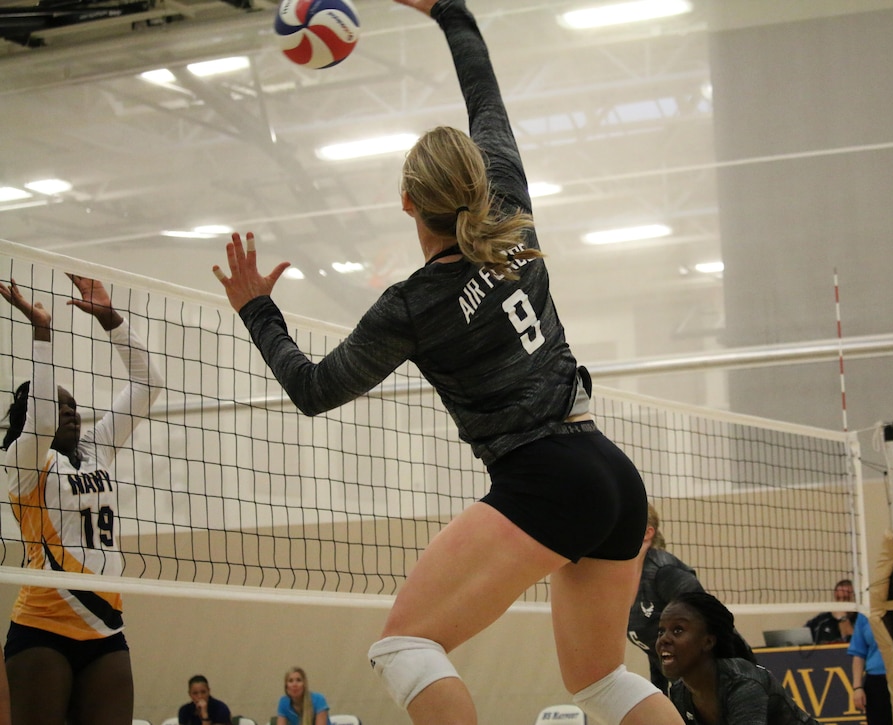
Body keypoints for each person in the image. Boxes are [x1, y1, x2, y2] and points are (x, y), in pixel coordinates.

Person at [210, 1, 684, 724]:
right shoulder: (512, 205)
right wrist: (448, 12)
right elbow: (485, 97)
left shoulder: (412, 305)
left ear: (405, 203)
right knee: (600, 679)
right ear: (478, 177)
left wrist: (257, 310)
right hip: (611, 471)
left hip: (544, 478)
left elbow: (311, 389)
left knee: (405, 643)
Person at [0, 274, 163, 725]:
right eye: (59, 405)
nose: (70, 411)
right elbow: (43, 419)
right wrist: (42, 332)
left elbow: (148, 384)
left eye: (74, 405)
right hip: (42, 628)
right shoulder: (26, 464)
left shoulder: (98, 448)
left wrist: (111, 319)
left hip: (107, 629)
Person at [628, 504, 753, 694]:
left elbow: (713, 621)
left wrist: (739, 684)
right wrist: (659, 691)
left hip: (727, 680)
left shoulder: (665, 573)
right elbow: (656, 648)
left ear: (647, 533)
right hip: (690, 687)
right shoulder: (623, 581)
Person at [656, 591, 818, 724]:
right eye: (661, 631)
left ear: (708, 642)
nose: (664, 639)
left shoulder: (743, 684)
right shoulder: (679, 692)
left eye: (677, 630)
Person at [804, 579, 857, 644]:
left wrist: (843, 619)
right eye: (838, 598)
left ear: (854, 598)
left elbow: (854, 645)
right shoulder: (821, 621)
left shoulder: (861, 620)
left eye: (845, 598)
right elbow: (802, 638)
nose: (841, 602)